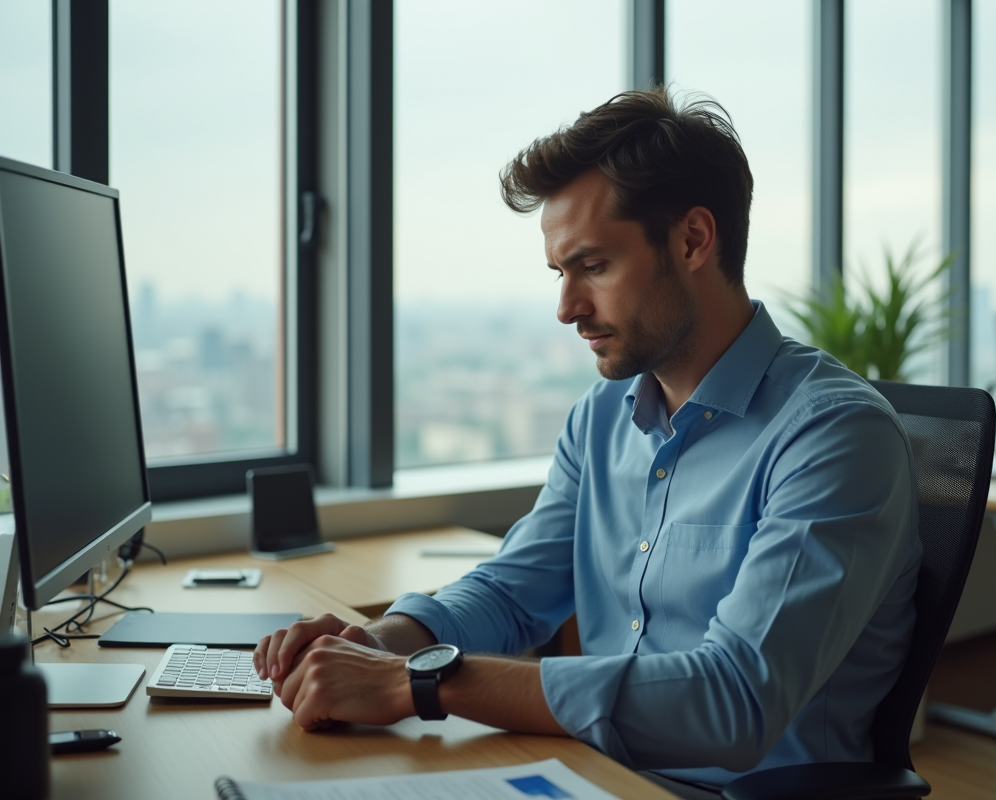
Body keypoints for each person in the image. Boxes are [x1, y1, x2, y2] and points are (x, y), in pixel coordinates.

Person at [254, 87, 920, 798]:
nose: (568, 308)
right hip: (589, 773)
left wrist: (423, 683)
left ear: (694, 240)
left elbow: (733, 701)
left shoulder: (833, 434)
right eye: (560, 272)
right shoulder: (602, 417)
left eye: (593, 266)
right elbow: (513, 594)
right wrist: (381, 645)